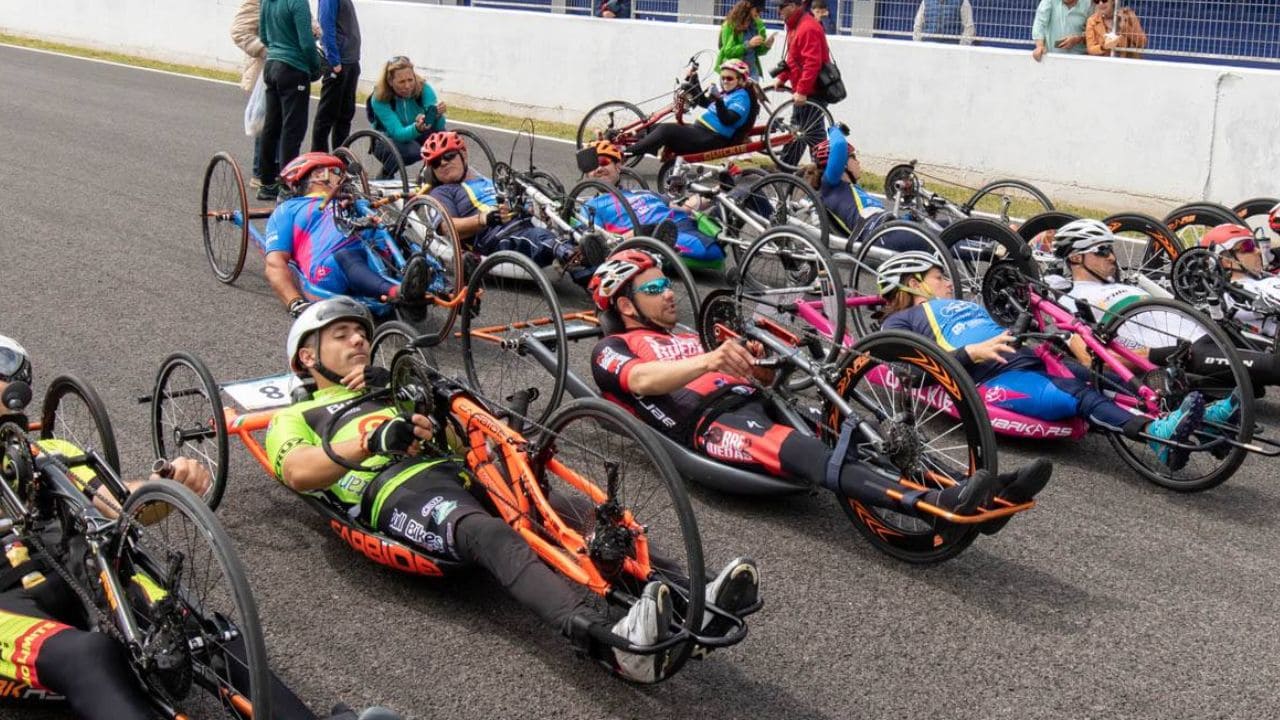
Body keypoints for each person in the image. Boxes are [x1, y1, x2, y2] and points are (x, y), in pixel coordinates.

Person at [265, 299, 758, 683]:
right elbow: (299, 472)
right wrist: (369, 439)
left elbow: (457, 437)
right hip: (398, 493)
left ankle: (697, 592)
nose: (357, 341)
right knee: (493, 537)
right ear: (307, 356)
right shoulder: (295, 416)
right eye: (341, 335)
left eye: (361, 333)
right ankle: (611, 642)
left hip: (462, 473)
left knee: (574, 512)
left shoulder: (390, 386)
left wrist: (432, 408)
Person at [0, 336, 398, 720]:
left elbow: (116, 505)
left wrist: (166, 487)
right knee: (88, 654)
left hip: (74, 567)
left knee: (200, 630)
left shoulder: (49, 451)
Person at [587, 249, 1054, 521]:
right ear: (626, 306)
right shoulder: (612, 347)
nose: (668, 292)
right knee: (814, 455)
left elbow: (755, 374)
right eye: (652, 289)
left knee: (854, 430)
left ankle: (980, 487)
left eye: (666, 283)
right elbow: (643, 382)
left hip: (755, 399)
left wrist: (761, 365)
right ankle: (931, 504)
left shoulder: (687, 336)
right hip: (711, 424)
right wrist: (711, 359)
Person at [876, 251, 1229, 471]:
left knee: (1104, 377)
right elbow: (910, 373)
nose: (948, 283)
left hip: (1026, 357)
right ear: (913, 282)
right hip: (993, 379)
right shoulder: (899, 322)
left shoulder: (963, 305)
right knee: (1076, 392)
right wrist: (972, 353)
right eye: (939, 277)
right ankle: (1155, 437)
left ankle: (1202, 421)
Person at [1053, 219, 1280, 388]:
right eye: (1102, 251)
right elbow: (1089, 359)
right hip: (1188, 351)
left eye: (1110, 249)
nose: (1112, 256)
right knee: (1274, 367)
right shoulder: (1069, 301)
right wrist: (1156, 355)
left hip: (1211, 331)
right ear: (1075, 258)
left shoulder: (1130, 285)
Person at [263, 152, 443, 317]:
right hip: (330, 266)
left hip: (374, 253)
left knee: (402, 240)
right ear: (318, 175)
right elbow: (275, 262)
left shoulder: (354, 201)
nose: (346, 178)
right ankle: (398, 292)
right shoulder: (289, 209)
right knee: (347, 254)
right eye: (337, 172)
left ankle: (451, 287)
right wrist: (294, 302)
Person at [423, 132, 599, 283]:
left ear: (463, 153)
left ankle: (601, 272)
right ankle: (571, 254)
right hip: (496, 236)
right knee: (537, 237)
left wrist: (534, 206)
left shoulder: (489, 180)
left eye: (448, 156)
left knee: (570, 221)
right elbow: (446, 227)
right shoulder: (441, 193)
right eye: (436, 162)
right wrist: (484, 218)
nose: (443, 163)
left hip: (524, 221)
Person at [577, 141, 724, 266]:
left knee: (732, 198)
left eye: (603, 162)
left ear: (617, 166)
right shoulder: (592, 206)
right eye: (592, 166)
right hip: (649, 236)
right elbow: (598, 243)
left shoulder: (644, 193)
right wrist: (636, 235)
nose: (598, 168)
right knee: (710, 250)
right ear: (587, 174)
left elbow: (684, 206)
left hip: (683, 223)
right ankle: (653, 240)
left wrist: (716, 192)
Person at [803, 124, 934, 252]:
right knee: (944, 239)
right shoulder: (829, 185)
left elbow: (881, 218)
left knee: (946, 227)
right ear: (843, 163)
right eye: (853, 157)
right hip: (879, 235)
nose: (858, 162)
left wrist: (911, 217)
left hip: (887, 231)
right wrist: (834, 129)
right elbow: (839, 145)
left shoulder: (852, 190)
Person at [623, 60, 765, 161]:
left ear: (740, 80)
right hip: (700, 131)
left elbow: (728, 120)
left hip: (712, 138)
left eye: (729, 78)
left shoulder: (742, 97)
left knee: (666, 130)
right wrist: (694, 80)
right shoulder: (728, 93)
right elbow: (703, 102)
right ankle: (622, 143)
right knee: (653, 128)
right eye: (723, 78)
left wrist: (719, 100)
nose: (725, 82)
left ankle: (624, 155)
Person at [257, 0, 321, 201]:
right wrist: (315, 66)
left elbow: (264, 36)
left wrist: (278, 49)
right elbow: (306, 43)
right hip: (293, 68)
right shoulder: (298, 2)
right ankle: (288, 186)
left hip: (272, 64)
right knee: (292, 128)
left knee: (272, 125)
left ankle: (267, 183)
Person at [772, 0, 831, 165]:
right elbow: (793, 58)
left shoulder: (807, 28)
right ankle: (789, 167)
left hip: (813, 90)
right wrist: (783, 77)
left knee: (804, 130)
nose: (778, 11)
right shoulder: (796, 25)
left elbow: (812, 62)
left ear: (793, 6)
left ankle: (819, 169)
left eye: (781, 7)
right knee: (804, 131)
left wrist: (803, 91)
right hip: (806, 89)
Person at [367, 57, 447, 177]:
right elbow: (398, 133)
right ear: (390, 82)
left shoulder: (424, 88)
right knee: (413, 151)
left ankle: (427, 175)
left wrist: (437, 115)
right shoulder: (379, 98)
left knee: (444, 142)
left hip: (416, 132)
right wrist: (417, 128)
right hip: (387, 139)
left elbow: (439, 128)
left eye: (410, 80)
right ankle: (385, 174)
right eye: (401, 82)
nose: (408, 86)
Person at [310, 0, 362, 152]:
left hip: (351, 61)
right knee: (326, 116)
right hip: (339, 64)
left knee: (345, 115)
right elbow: (325, 27)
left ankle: (341, 158)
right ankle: (319, 160)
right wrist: (334, 61)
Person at [230, 0, 271, 187]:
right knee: (266, 121)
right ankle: (261, 174)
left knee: (281, 122)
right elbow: (238, 31)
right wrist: (266, 51)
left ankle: (272, 172)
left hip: (288, 68)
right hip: (265, 69)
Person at [716, 0, 775, 79]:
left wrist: (767, 46)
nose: (759, 14)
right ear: (747, 8)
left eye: (761, 11)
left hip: (752, 72)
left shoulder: (756, 25)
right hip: (734, 73)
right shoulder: (730, 25)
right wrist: (748, 45)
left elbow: (758, 52)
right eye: (757, 10)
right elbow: (728, 52)